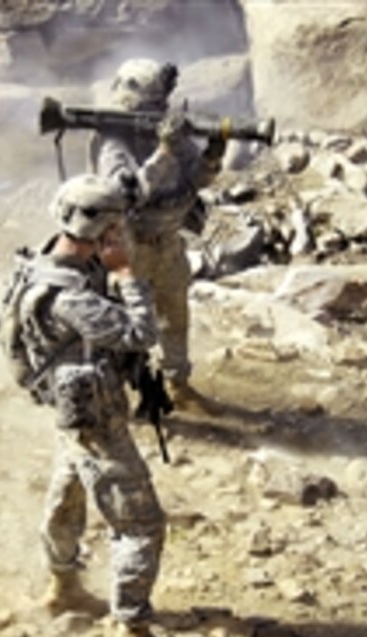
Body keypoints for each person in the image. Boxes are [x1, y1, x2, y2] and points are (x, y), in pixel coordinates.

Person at [23, 173, 186, 637]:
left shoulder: (40, 263)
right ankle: (132, 633)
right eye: (115, 224)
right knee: (140, 523)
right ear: (102, 228)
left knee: (68, 491)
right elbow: (140, 333)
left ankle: (62, 587)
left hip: (70, 410)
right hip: (96, 415)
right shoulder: (71, 296)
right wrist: (126, 276)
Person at [89, 58, 227, 408]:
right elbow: (127, 193)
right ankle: (119, 395)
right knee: (128, 327)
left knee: (175, 318)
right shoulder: (112, 143)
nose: (159, 110)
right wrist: (164, 151)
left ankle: (178, 384)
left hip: (168, 244)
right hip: (129, 249)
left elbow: (194, 181)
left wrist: (211, 156)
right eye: (152, 105)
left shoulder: (170, 134)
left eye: (161, 103)